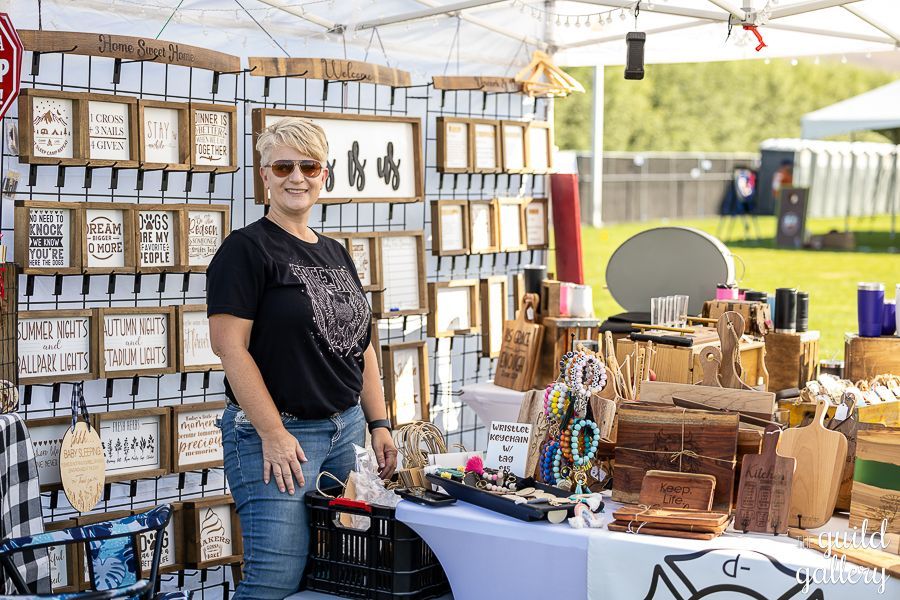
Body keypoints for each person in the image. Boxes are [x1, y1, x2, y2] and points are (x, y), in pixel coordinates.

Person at [207, 117, 398, 599]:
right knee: (274, 579)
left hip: (346, 429)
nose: (297, 177)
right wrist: (273, 433)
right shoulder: (245, 250)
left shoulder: (336, 252)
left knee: (336, 571)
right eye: (284, 166)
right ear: (264, 176)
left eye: (309, 166)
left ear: (324, 175)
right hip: (279, 435)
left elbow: (362, 346)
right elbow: (229, 348)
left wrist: (378, 423)